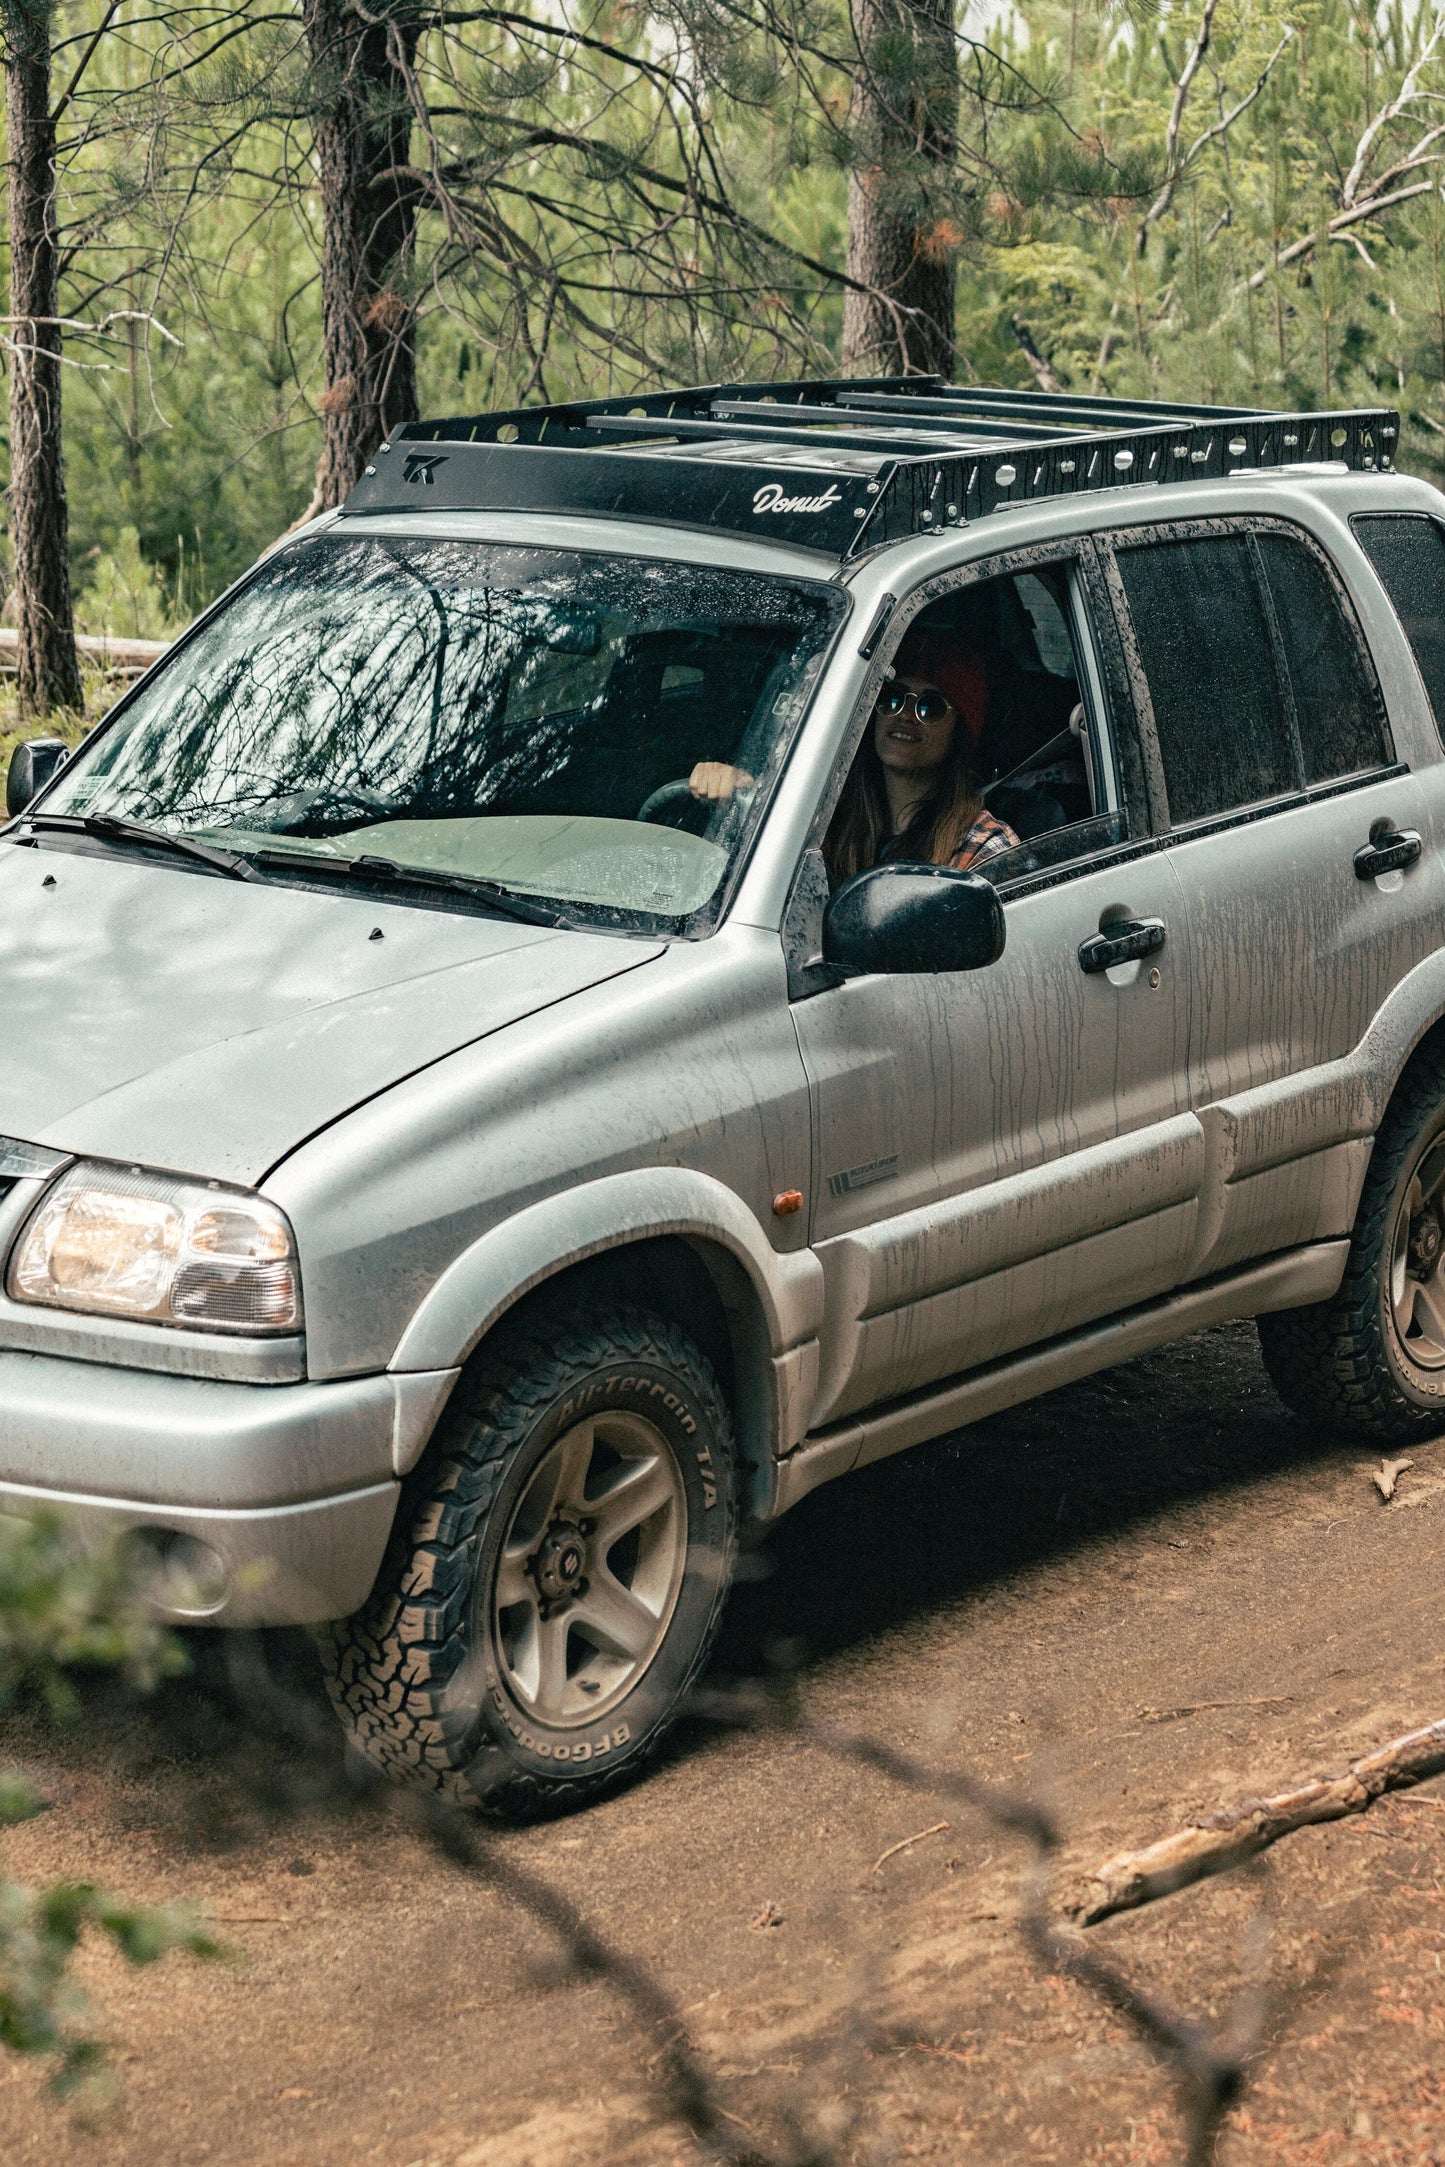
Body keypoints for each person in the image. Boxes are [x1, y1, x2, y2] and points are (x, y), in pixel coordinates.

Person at [687, 625, 1018, 881]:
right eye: (892, 697)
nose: (905, 715)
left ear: (958, 732)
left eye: (930, 708)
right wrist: (744, 791)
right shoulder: (827, 818)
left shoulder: (984, 849)